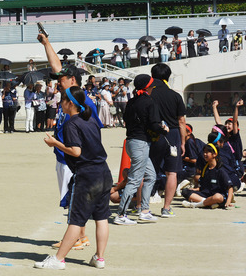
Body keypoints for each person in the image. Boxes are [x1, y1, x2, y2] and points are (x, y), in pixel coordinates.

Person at [38, 32, 103, 250]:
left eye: (62, 79)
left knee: (75, 200)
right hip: (66, 155)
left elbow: (92, 132)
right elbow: (58, 68)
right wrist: (46, 43)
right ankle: (80, 235)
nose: (57, 81)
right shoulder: (72, 99)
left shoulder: (82, 101)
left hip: (74, 157)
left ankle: (78, 236)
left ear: (72, 80)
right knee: (72, 198)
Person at [38, 87, 111, 269]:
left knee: (76, 219)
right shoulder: (91, 119)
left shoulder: (72, 123)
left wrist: (55, 144)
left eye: (62, 101)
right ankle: (99, 258)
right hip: (103, 171)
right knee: (101, 217)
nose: (59, 104)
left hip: (87, 175)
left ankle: (59, 259)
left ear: (70, 103)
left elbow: (76, 151)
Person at [114, 75, 168, 225]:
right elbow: (154, 125)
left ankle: (144, 211)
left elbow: (126, 119)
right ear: (147, 87)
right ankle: (121, 214)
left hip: (131, 142)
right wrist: (164, 130)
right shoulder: (149, 102)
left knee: (150, 176)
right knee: (135, 180)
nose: (152, 88)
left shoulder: (132, 101)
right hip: (140, 143)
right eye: (151, 86)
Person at [148, 63, 187, 218]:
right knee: (172, 173)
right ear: (168, 77)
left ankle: (141, 206)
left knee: (147, 172)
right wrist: (183, 142)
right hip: (173, 135)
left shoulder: (149, 94)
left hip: (153, 134)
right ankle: (166, 208)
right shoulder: (175, 96)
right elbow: (182, 121)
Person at [182, 144, 233, 208]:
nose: (204, 154)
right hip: (205, 195)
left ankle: (196, 205)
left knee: (218, 197)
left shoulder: (220, 170)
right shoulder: (205, 169)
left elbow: (230, 187)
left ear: (214, 154)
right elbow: (203, 187)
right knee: (185, 192)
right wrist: (194, 189)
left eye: (207, 152)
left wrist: (228, 201)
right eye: (204, 152)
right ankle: (209, 203)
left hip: (217, 195)